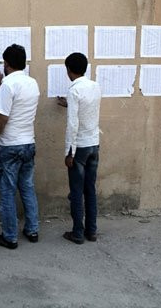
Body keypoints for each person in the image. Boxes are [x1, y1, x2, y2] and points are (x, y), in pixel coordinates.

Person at [0, 44, 40, 250]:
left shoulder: (8, 85)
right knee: (27, 187)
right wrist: (2, 86)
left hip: (10, 146)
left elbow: (2, 118)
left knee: (7, 192)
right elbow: (19, 101)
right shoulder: (32, 83)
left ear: (6, 64)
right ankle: (32, 230)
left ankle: (9, 237)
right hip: (28, 143)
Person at [57, 52, 101, 245]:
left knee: (76, 192)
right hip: (94, 144)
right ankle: (91, 231)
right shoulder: (95, 86)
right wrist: (68, 105)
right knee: (90, 190)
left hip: (80, 148)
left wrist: (69, 152)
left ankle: (77, 232)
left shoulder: (74, 91)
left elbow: (73, 124)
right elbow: (87, 109)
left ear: (68, 70)